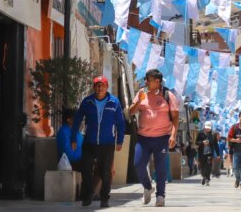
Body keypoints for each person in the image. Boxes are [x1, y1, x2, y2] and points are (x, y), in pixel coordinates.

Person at [71, 76, 125, 208]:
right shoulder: (87, 102)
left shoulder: (114, 102)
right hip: (89, 142)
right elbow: (77, 119)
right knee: (86, 169)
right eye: (97, 85)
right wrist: (73, 138)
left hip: (107, 143)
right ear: (94, 87)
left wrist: (120, 140)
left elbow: (120, 122)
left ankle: (104, 198)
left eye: (103, 85)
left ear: (107, 87)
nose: (100, 88)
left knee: (105, 172)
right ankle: (88, 195)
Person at [129, 69, 179, 207]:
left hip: (162, 137)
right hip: (143, 137)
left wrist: (173, 135)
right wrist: (139, 101)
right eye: (145, 79)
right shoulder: (141, 92)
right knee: (138, 164)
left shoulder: (168, 95)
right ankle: (147, 186)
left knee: (160, 167)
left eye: (148, 80)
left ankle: (160, 196)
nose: (145, 82)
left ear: (157, 82)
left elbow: (175, 119)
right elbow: (131, 112)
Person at [196, 121, 220, 186]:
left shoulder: (213, 134)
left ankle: (207, 179)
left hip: (209, 153)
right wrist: (202, 142)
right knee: (202, 166)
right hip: (201, 153)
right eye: (206, 128)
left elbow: (215, 145)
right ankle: (204, 176)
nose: (207, 129)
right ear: (204, 127)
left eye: (209, 128)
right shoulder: (200, 133)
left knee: (208, 166)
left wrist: (218, 154)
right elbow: (197, 142)